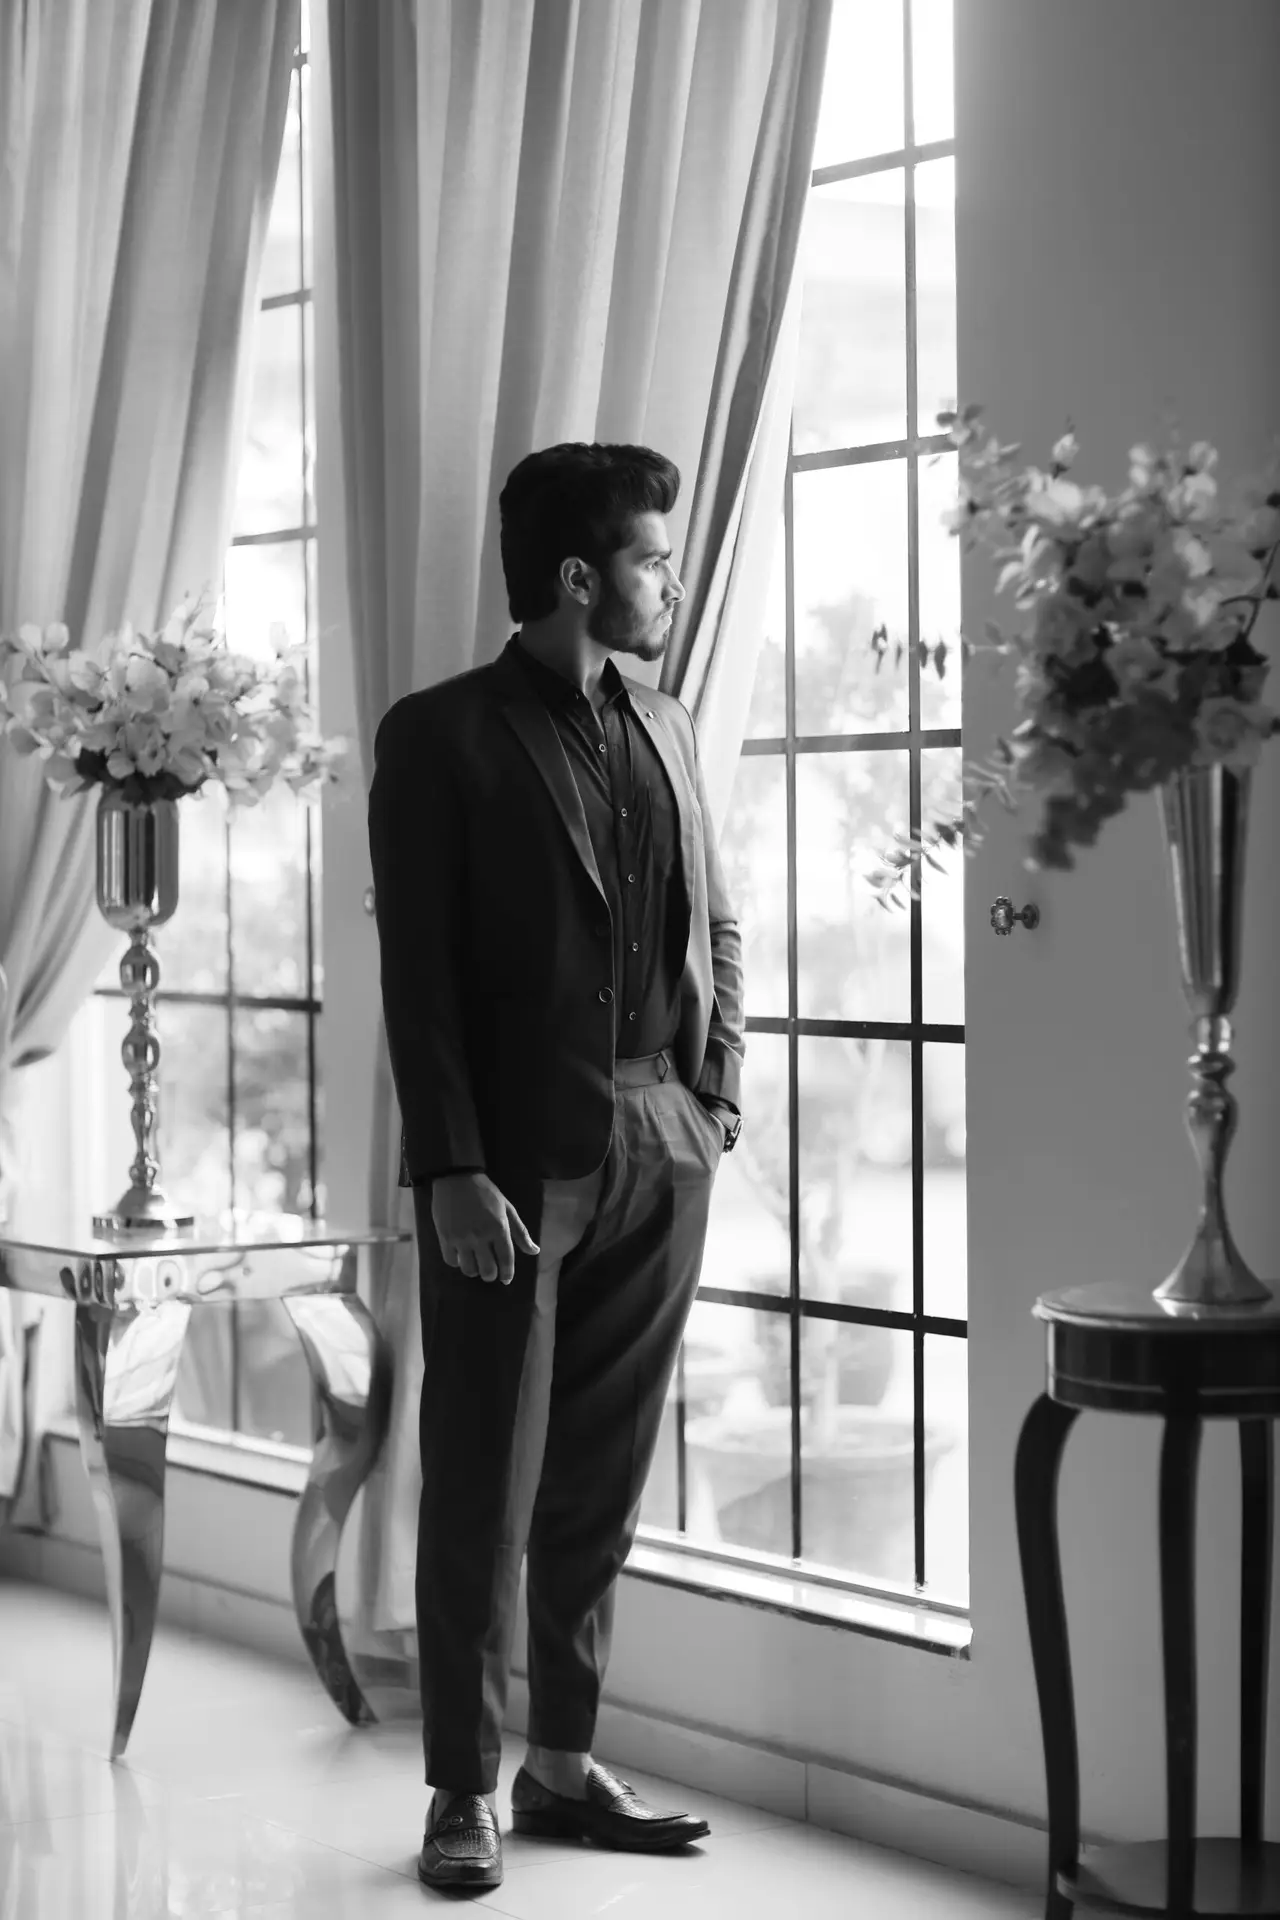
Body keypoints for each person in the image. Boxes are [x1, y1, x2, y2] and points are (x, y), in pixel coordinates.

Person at [367, 441, 745, 1894]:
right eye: (653, 558)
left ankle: (562, 1764)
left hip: (661, 1144)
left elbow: (714, 914)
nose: (671, 580)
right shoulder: (442, 736)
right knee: (482, 1477)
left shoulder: (671, 721)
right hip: (512, 1175)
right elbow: (425, 983)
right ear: (580, 577)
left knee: (599, 1477)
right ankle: (461, 1787)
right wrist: (451, 1169)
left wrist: (715, 1091)